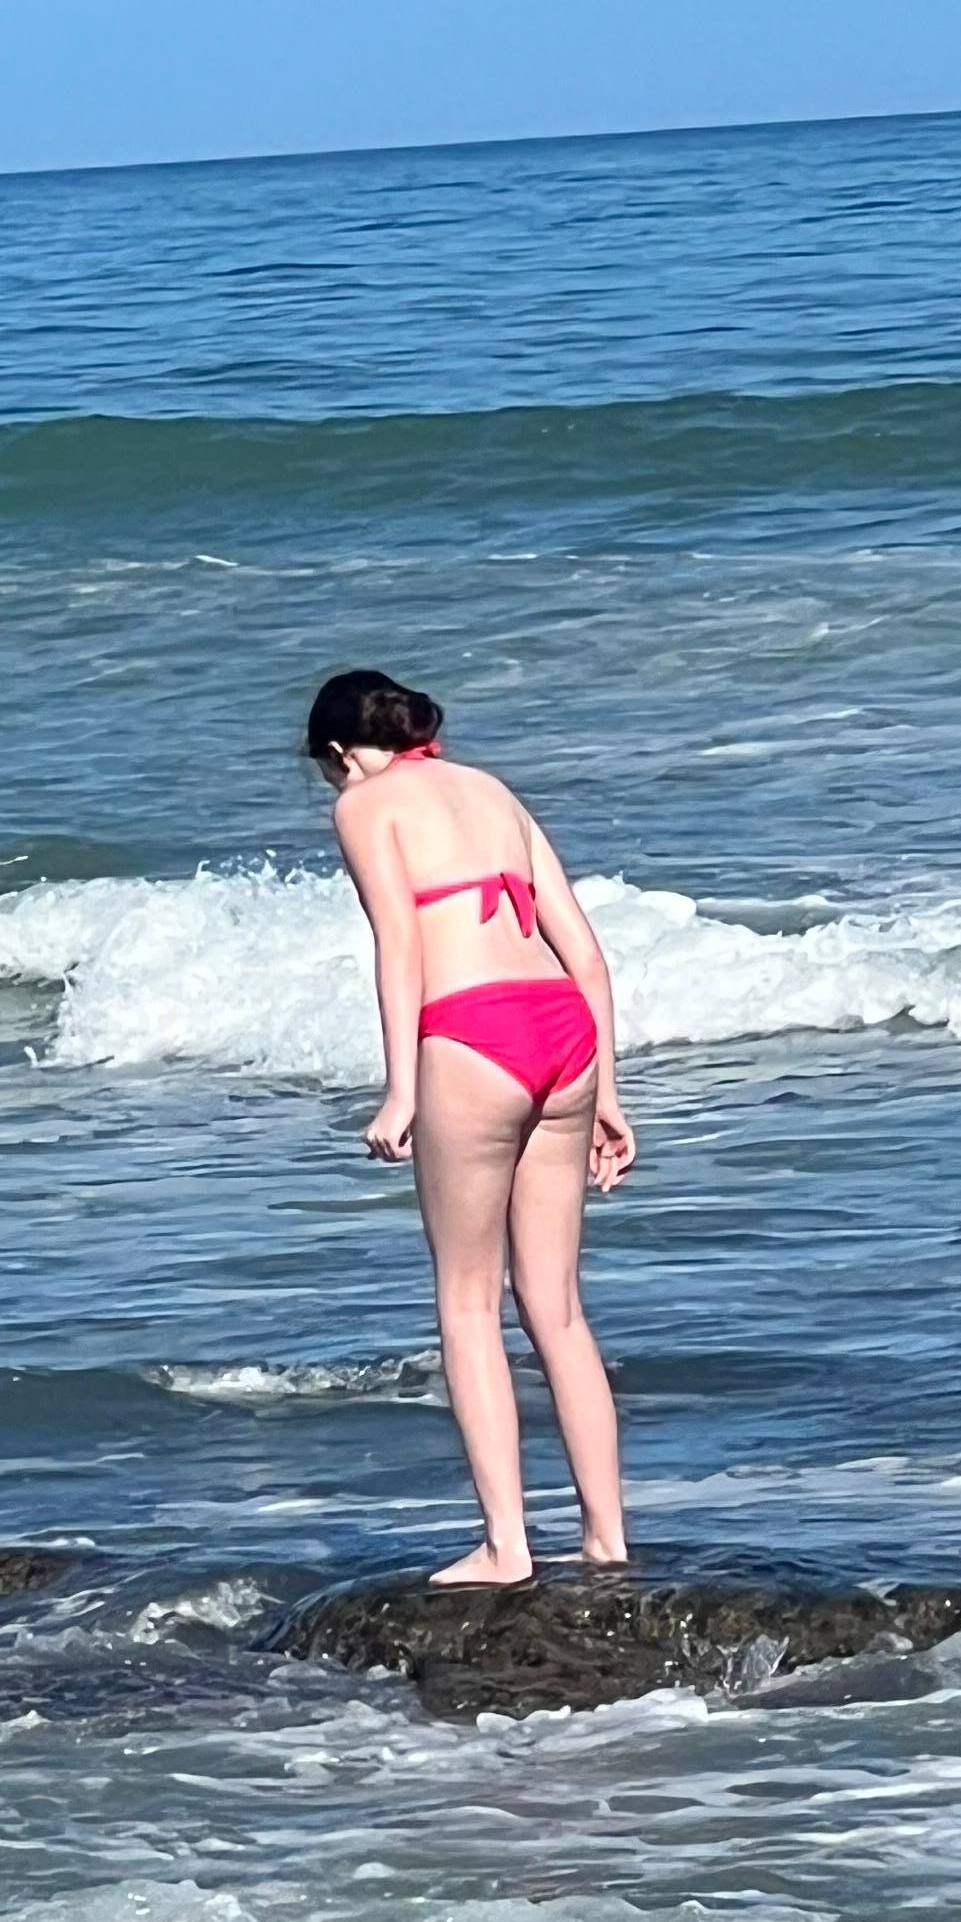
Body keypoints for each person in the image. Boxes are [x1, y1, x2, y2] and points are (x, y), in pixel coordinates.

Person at [312, 667, 634, 1583]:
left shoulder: (367, 808)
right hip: (562, 1030)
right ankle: (608, 1539)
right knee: (558, 1307)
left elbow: (401, 946)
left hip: (473, 1037)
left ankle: (506, 1546)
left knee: (466, 1300)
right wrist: (608, 1089)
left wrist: (400, 1090)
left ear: (342, 755)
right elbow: (584, 948)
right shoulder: (494, 791)